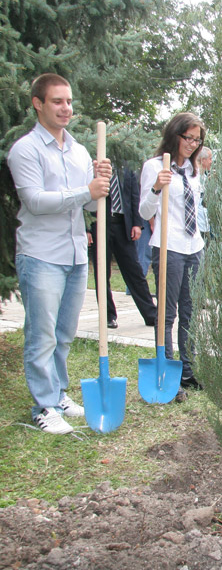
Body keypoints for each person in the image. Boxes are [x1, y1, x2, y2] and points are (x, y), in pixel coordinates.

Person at [8, 73, 111, 434]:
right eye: (57, 101)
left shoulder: (80, 151)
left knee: (64, 333)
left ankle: (59, 393)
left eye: (68, 101)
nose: (66, 108)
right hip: (41, 256)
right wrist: (87, 190)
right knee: (42, 334)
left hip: (75, 256)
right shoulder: (26, 150)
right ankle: (44, 406)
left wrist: (100, 183)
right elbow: (35, 201)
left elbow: (93, 204)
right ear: (38, 103)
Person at [139, 112, 206, 392]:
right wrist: (157, 187)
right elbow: (144, 211)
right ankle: (166, 372)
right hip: (169, 246)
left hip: (194, 246)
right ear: (174, 135)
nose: (191, 144)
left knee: (190, 311)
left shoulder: (194, 170)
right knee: (167, 313)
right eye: (187, 137)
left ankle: (187, 371)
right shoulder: (154, 166)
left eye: (197, 140)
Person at [88, 163, 157, 329]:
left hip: (122, 223)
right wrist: (86, 228)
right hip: (98, 223)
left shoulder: (126, 164)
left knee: (134, 270)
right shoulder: (93, 165)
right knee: (102, 272)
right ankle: (108, 315)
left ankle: (151, 314)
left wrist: (137, 223)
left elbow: (134, 195)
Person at [196, 147, 212, 242]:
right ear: (203, 160)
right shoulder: (195, 178)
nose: (211, 161)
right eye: (210, 158)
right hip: (198, 226)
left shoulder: (204, 176)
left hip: (205, 224)